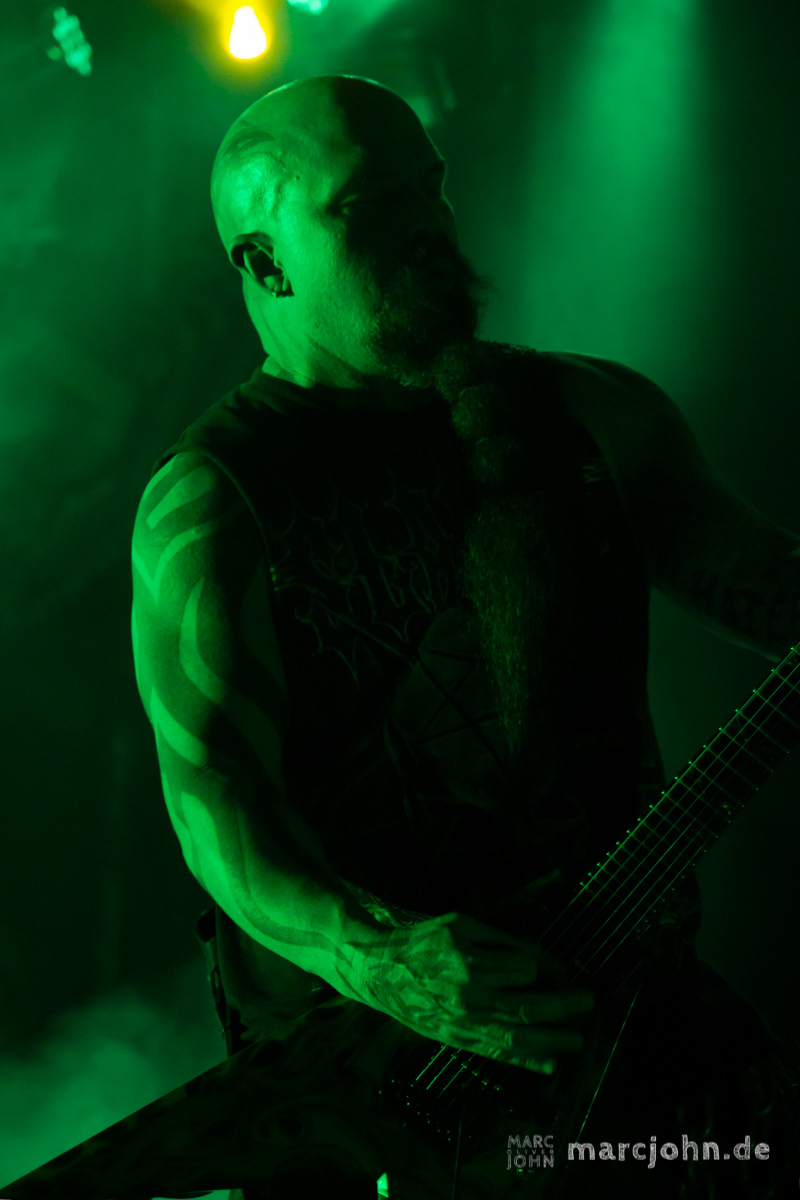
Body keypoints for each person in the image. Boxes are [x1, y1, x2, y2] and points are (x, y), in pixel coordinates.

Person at [131, 74, 799, 1198]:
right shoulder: (213, 501)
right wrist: (375, 957)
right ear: (265, 262)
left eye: (428, 187)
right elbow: (219, 808)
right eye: (366, 204)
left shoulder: (588, 415)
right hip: (385, 1119)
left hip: (638, 1036)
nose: (426, 224)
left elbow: (765, 589)